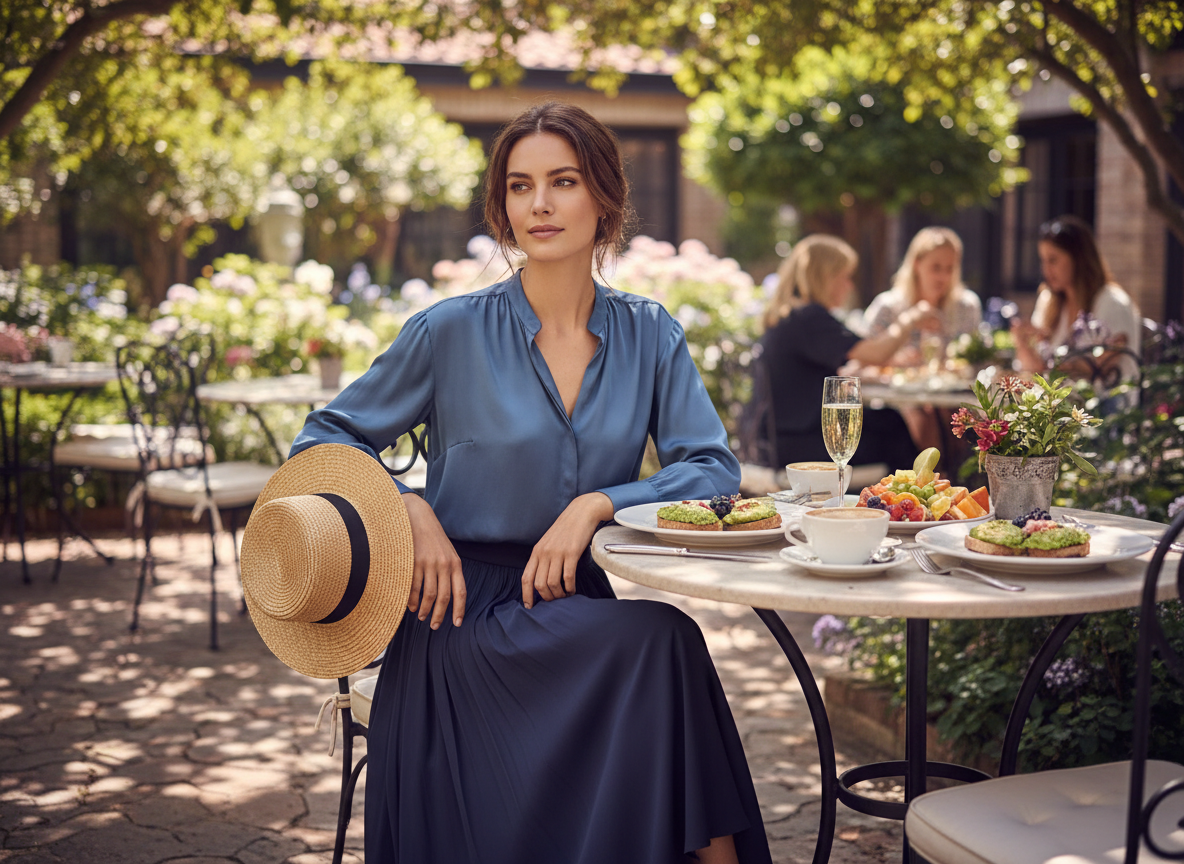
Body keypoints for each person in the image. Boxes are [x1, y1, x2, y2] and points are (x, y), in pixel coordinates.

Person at [290, 102, 771, 864]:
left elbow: (711, 468)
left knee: (657, 651)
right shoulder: (448, 330)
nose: (539, 205)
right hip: (461, 620)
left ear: (603, 198)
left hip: (576, 606)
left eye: (563, 181)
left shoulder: (650, 333)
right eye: (520, 187)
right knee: (666, 641)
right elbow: (321, 440)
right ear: (503, 206)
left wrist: (598, 504)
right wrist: (407, 509)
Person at [760, 234, 936, 470]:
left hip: (782, 437)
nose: (849, 286)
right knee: (892, 426)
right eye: (844, 277)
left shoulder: (790, 316)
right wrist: (911, 318)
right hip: (802, 443)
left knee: (888, 421)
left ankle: (908, 494)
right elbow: (876, 353)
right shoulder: (810, 318)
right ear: (825, 277)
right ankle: (913, 497)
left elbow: (823, 371)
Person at [1012, 214, 1141, 381]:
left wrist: (1055, 367)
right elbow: (1034, 371)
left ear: (1078, 258)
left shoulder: (1112, 303)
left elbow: (1100, 367)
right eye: (1042, 260)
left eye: (1053, 260)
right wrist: (1022, 341)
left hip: (1105, 404)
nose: (1045, 270)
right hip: (1058, 402)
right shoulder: (1049, 300)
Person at [863, 226, 983, 364]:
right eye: (936, 267)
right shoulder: (887, 306)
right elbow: (861, 358)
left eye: (950, 268)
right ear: (916, 264)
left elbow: (975, 361)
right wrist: (895, 361)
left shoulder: (967, 306)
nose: (943, 277)